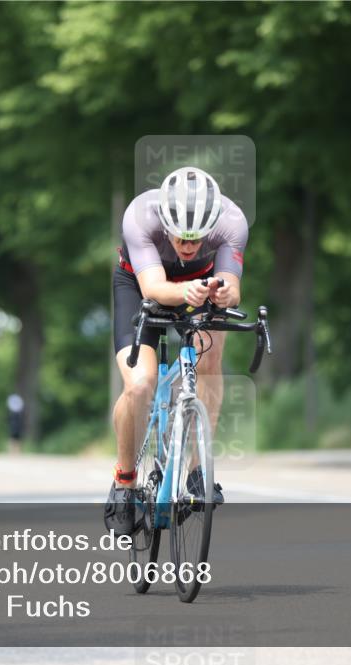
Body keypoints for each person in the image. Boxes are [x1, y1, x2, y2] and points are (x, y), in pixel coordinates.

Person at [104, 166, 248, 536]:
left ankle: (199, 473)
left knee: (211, 355)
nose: (188, 246)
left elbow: (232, 286)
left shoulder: (232, 221)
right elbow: (153, 287)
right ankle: (124, 481)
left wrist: (223, 292)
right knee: (140, 384)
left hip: (199, 288)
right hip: (140, 286)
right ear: (165, 222)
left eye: (197, 239)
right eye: (181, 238)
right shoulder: (140, 215)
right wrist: (187, 291)